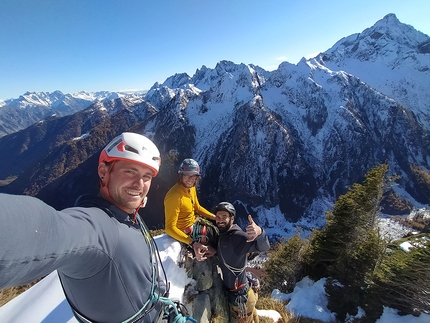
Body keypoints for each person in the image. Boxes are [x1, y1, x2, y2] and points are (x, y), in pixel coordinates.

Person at [0, 132, 195, 323]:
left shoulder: (126, 218)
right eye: (130, 171)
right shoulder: (97, 228)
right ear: (103, 171)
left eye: (147, 176)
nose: (140, 184)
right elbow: (51, 228)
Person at [213, 202, 270, 323]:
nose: (220, 220)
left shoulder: (236, 236)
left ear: (232, 218)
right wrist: (214, 251)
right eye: (218, 217)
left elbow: (264, 247)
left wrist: (259, 232)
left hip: (241, 299)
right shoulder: (224, 234)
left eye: (224, 217)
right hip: (242, 294)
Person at [164, 158, 217, 261]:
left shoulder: (191, 188)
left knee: (218, 230)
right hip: (185, 232)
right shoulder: (174, 196)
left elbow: (197, 207)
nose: (190, 179)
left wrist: (213, 217)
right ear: (181, 176)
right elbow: (169, 228)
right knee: (216, 240)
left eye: (193, 176)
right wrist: (192, 242)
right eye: (187, 175)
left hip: (194, 224)